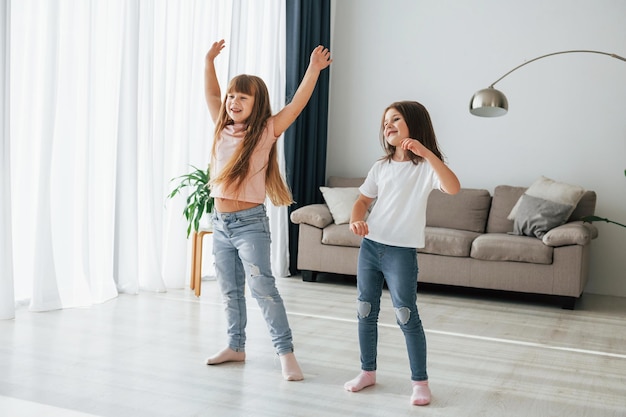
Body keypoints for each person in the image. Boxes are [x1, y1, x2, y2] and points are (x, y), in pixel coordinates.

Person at [203, 39, 331, 381]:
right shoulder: (221, 128)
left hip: (249, 224)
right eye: (232, 96)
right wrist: (209, 62)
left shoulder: (265, 132)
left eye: (242, 97)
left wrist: (313, 70)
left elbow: (297, 104)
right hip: (220, 223)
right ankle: (235, 346)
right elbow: (212, 94)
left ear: (257, 104)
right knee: (229, 290)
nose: (233, 101)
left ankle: (286, 354)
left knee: (263, 289)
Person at [343, 101, 460, 405]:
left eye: (395, 119)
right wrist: (357, 219)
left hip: (401, 253)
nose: (388, 125)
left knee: (406, 315)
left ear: (414, 124)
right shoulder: (380, 167)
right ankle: (367, 372)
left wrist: (426, 153)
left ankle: (420, 382)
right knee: (365, 311)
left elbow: (453, 187)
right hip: (371, 247)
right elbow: (362, 202)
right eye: (385, 122)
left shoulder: (425, 168)